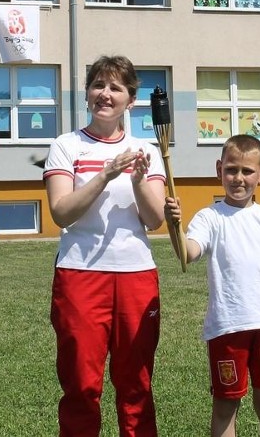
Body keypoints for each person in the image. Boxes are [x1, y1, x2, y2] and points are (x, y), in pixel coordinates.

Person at [44, 55, 167, 437]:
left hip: (136, 277)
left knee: (136, 386)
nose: (105, 94)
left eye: (116, 88)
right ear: (87, 94)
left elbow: (155, 219)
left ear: (131, 100)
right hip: (80, 275)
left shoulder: (147, 149)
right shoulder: (66, 146)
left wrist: (136, 181)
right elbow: (62, 213)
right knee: (81, 386)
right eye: (98, 85)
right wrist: (106, 174)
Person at [165, 134, 260, 437]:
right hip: (227, 329)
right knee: (226, 407)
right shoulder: (209, 218)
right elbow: (188, 253)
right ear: (219, 170)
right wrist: (173, 225)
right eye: (231, 170)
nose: (238, 178)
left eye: (247, 171)